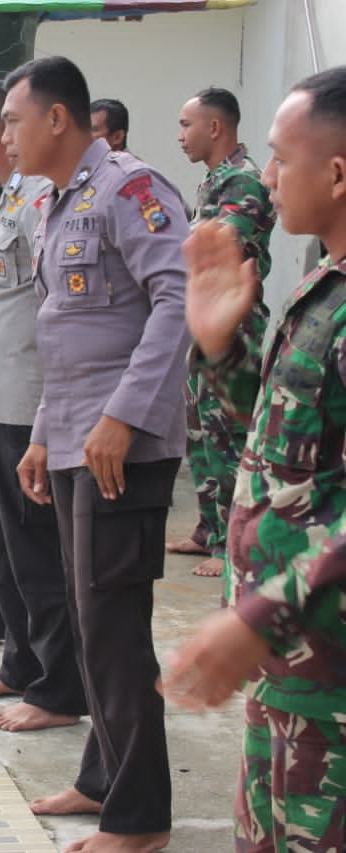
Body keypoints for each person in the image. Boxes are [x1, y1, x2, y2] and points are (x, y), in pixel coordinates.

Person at [5, 56, 190, 853]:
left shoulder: (130, 189)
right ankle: (100, 777)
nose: (4, 134)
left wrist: (120, 416)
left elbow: (178, 300)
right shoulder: (58, 201)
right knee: (90, 618)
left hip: (126, 448)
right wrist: (48, 429)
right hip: (80, 436)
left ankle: (140, 817)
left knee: (114, 623)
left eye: (14, 119)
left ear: (57, 119)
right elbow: (69, 335)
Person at [163, 65, 346, 852]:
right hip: (292, 679)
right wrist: (221, 347)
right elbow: (288, 449)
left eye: (278, 158)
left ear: (336, 173)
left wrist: (259, 615)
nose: (264, 178)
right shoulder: (323, 287)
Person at [0, 80, 87, 731]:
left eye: (12, 121)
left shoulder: (45, 201)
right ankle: (18, 661)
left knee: (36, 552)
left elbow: (56, 306)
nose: (2, 135)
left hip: (23, 402)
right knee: (3, 545)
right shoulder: (12, 197)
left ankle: (58, 686)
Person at [170, 86, 275, 578]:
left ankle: (225, 546)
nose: (180, 136)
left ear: (215, 127)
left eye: (186, 125)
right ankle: (208, 528)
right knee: (201, 431)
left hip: (236, 325)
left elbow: (220, 244)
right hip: (207, 322)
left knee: (228, 433)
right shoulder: (214, 181)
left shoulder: (245, 182)